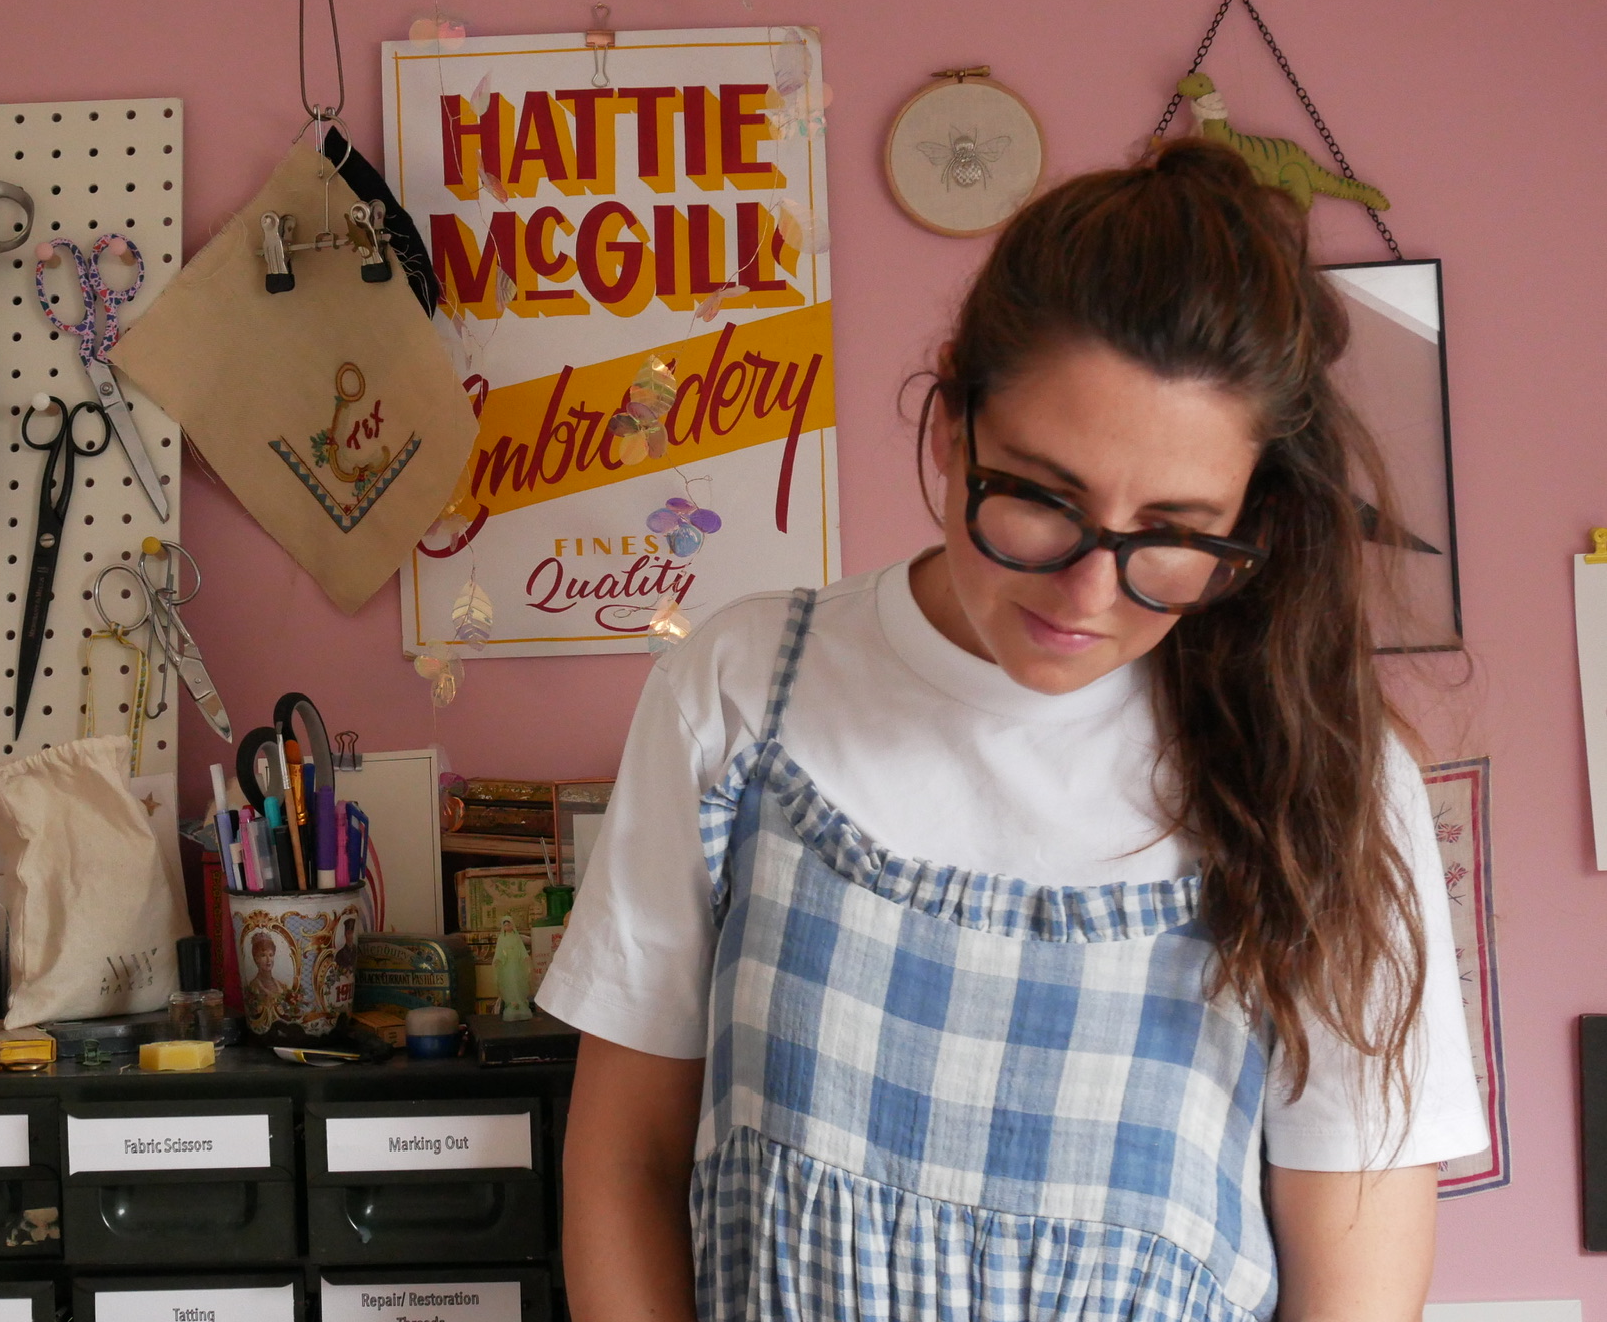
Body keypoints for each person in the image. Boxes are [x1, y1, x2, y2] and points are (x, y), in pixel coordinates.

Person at [538, 139, 1487, 1322]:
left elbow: (1356, 1280)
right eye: (1042, 499)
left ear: (1251, 518)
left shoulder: (1333, 783)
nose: (1091, 593)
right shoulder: (741, 691)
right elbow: (625, 1158)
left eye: (1174, 532)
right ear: (951, 430)